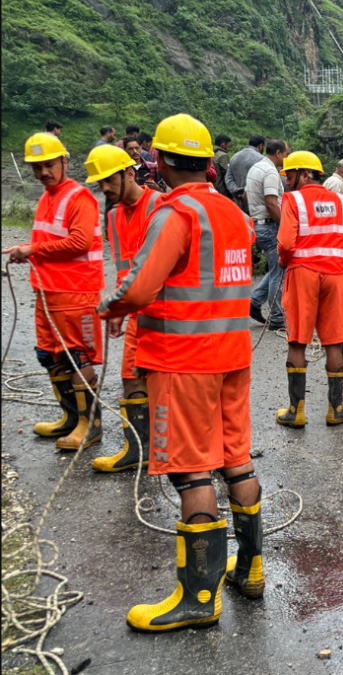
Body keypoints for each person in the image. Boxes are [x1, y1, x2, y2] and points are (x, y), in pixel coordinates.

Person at [96, 114, 264, 631]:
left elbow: (141, 286)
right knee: (235, 460)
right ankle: (250, 569)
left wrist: (107, 307)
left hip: (184, 360)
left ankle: (197, 597)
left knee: (191, 469)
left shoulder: (176, 212)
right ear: (207, 161)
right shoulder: (233, 213)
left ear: (162, 160)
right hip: (232, 356)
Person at [3, 132, 105, 452]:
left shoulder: (79, 198)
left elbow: (79, 242)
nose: (43, 172)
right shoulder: (48, 196)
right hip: (48, 291)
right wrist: (31, 251)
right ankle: (71, 418)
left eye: (48, 165)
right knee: (49, 356)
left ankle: (91, 424)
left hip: (76, 292)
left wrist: (32, 249)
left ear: (64, 161)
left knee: (77, 357)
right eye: (37, 167)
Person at [84, 144, 163, 472]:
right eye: (99, 183)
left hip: (169, 313)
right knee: (130, 376)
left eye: (108, 180)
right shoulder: (114, 216)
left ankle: (191, 453)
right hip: (136, 310)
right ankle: (139, 450)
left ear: (129, 173)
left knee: (171, 385)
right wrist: (118, 309)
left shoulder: (159, 206)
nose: (104, 188)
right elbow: (123, 268)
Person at [274, 151, 343, 427]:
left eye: (289, 174)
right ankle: (336, 408)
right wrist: (333, 259)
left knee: (298, 339)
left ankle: (295, 411)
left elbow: (286, 244)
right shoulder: (342, 201)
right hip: (335, 276)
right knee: (334, 341)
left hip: (302, 275)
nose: (287, 181)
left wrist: (285, 261)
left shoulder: (293, 200)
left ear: (303, 173)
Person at [246, 139, 289, 330]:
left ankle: (254, 302)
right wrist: (285, 224)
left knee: (274, 269)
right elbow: (271, 202)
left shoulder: (256, 167)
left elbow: (248, 196)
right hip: (270, 225)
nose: (287, 158)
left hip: (259, 223)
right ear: (278, 153)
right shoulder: (271, 171)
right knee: (279, 272)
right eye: (286, 154)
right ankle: (277, 317)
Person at [225, 135, 266, 210]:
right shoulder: (261, 159)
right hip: (256, 207)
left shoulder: (234, 157)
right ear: (261, 145)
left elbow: (228, 178)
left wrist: (238, 191)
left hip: (239, 205)